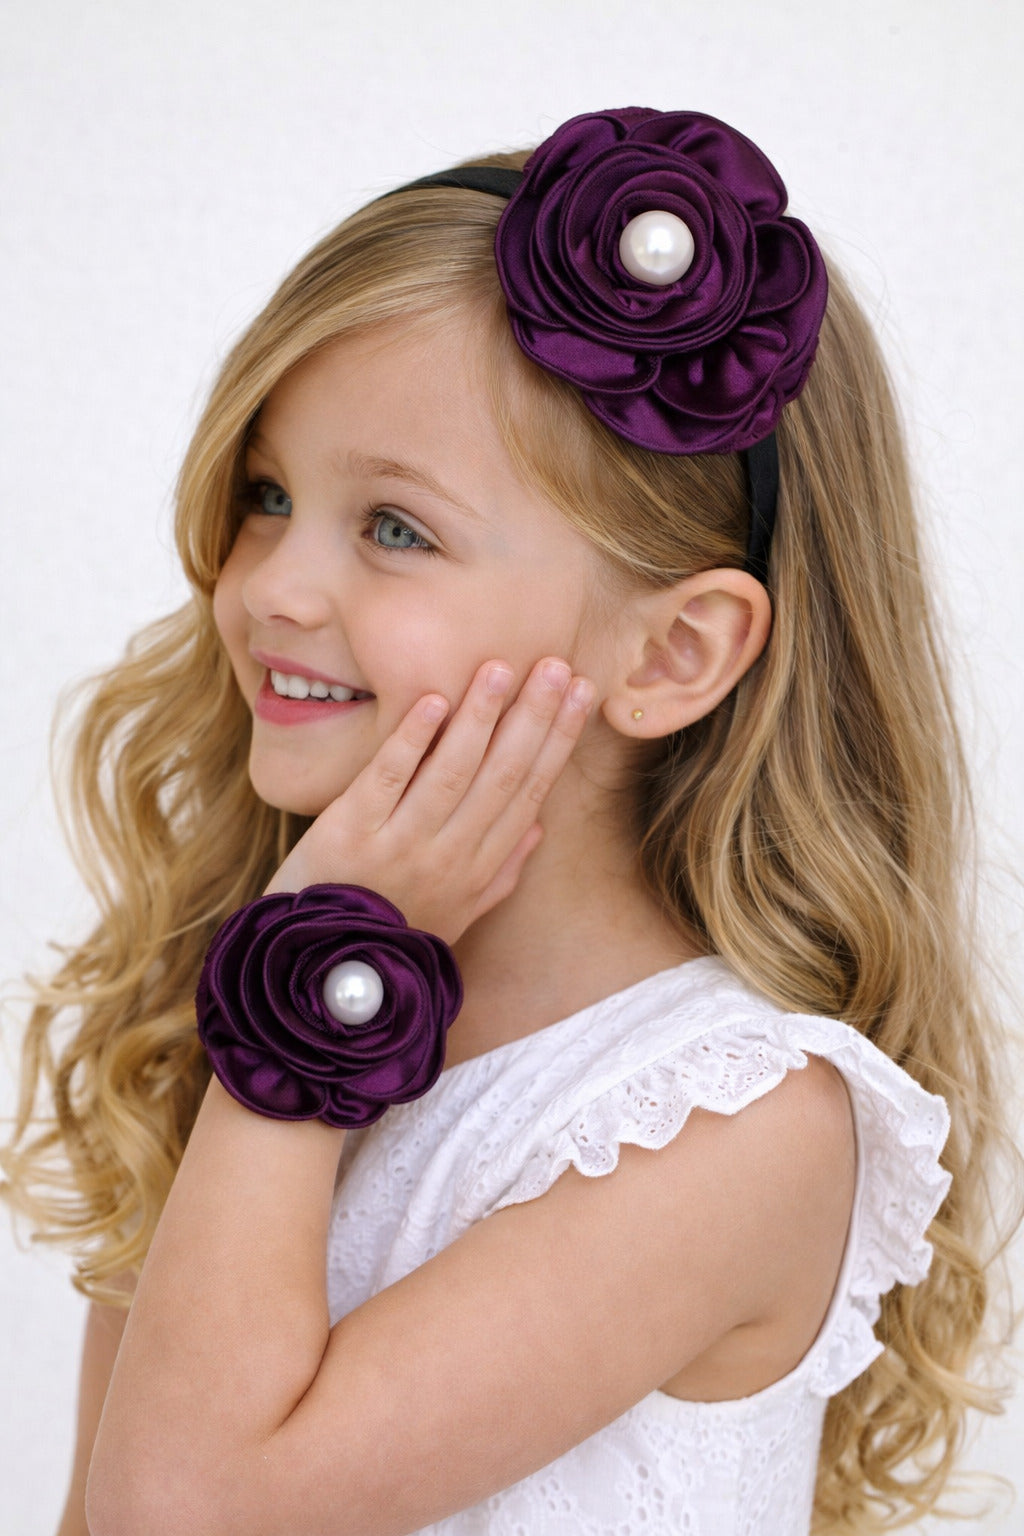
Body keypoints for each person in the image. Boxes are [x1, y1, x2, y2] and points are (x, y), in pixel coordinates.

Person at [0, 107, 1015, 1536]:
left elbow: (188, 1515)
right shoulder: (249, 1022)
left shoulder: (745, 1125)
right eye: (268, 496)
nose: (269, 584)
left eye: (395, 528)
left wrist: (317, 985)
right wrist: (302, 984)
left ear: (674, 653)